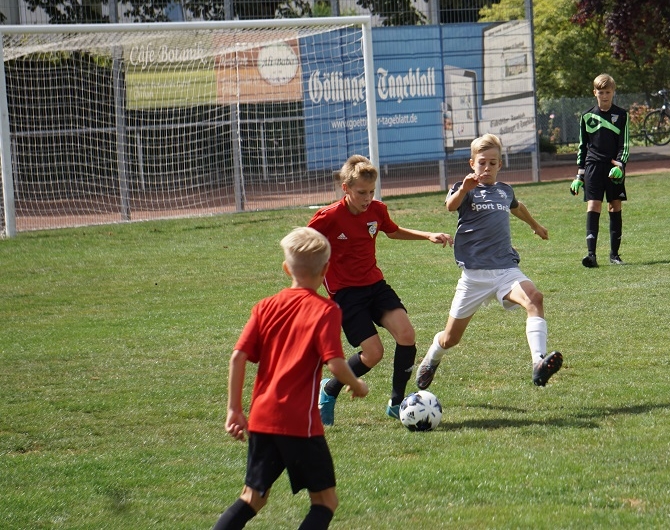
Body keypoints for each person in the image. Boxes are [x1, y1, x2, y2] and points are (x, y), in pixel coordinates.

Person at [214, 227, 369, 530]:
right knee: (325, 502)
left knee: (252, 498)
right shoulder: (325, 310)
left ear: (286, 268)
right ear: (326, 269)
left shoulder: (265, 307)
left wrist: (234, 410)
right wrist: (357, 384)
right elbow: (335, 363)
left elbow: (237, 357)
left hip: (261, 419)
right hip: (299, 423)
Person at [307, 155, 453, 426]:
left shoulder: (377, 210)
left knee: (407, 335)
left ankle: (396, 403)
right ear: (346, 188)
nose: (367, 198)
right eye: (361, 192)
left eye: (371, 192)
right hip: (345, 294)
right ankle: (329, 390)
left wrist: (427, 235)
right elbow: (303, 244)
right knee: (374, 354)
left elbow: (392, 231)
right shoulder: (329, 217)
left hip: (374, 286)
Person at [415, 133, 563, 391]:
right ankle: (432, 357)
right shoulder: (465, 189)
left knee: (535, 298)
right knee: (451, 339)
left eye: (492, 163)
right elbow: (450, 206)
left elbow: (517, 206)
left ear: (500, 165)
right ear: (472, 163)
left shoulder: (505, 191)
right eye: (482, 162)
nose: (486, 168)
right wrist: (464, 188)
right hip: (474, 277)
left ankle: (538, 363)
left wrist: (535, 225)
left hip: (506, 270)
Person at [571, 73, 631, 267]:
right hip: (593, 167)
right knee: (593, 205)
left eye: (608, 92)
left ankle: (614, 255)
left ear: (613, 92)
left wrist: (620, 165)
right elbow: (582, 147)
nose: (604, 96)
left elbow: (624, 145)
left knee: (614, 206)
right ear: (594, 92)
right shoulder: (586, 116)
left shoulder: (622, 115)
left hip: (614, 168)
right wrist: (579, 176)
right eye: (601, 92)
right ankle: (591, 255)